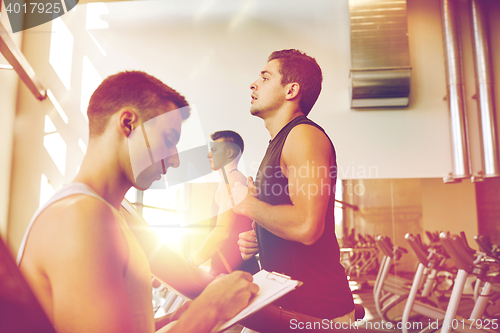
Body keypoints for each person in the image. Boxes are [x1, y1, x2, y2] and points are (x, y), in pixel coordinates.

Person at [16, 71, 259, 333]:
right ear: (129, 123)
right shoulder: (80, 216)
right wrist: (209, 309)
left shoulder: (112, 212)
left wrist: (168, 321)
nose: (175, 159)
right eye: (169, 140)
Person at [232, 49, 355, 322]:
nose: (253, 84)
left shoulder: (303, 136)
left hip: (317, 311)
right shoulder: (279, 142)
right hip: (286, 303)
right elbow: (287, 220)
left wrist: (250, 205)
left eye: (265, 77)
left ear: (291, 90)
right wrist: (261, 239)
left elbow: (306, 226)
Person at [190, 131, 260, 276]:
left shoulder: (231, 182)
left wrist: (191, 263)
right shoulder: (239, 179)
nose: (209, 155)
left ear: (229, 152)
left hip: (231, 271)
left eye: (214, 150)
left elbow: (222, 233)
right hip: (239, 269)